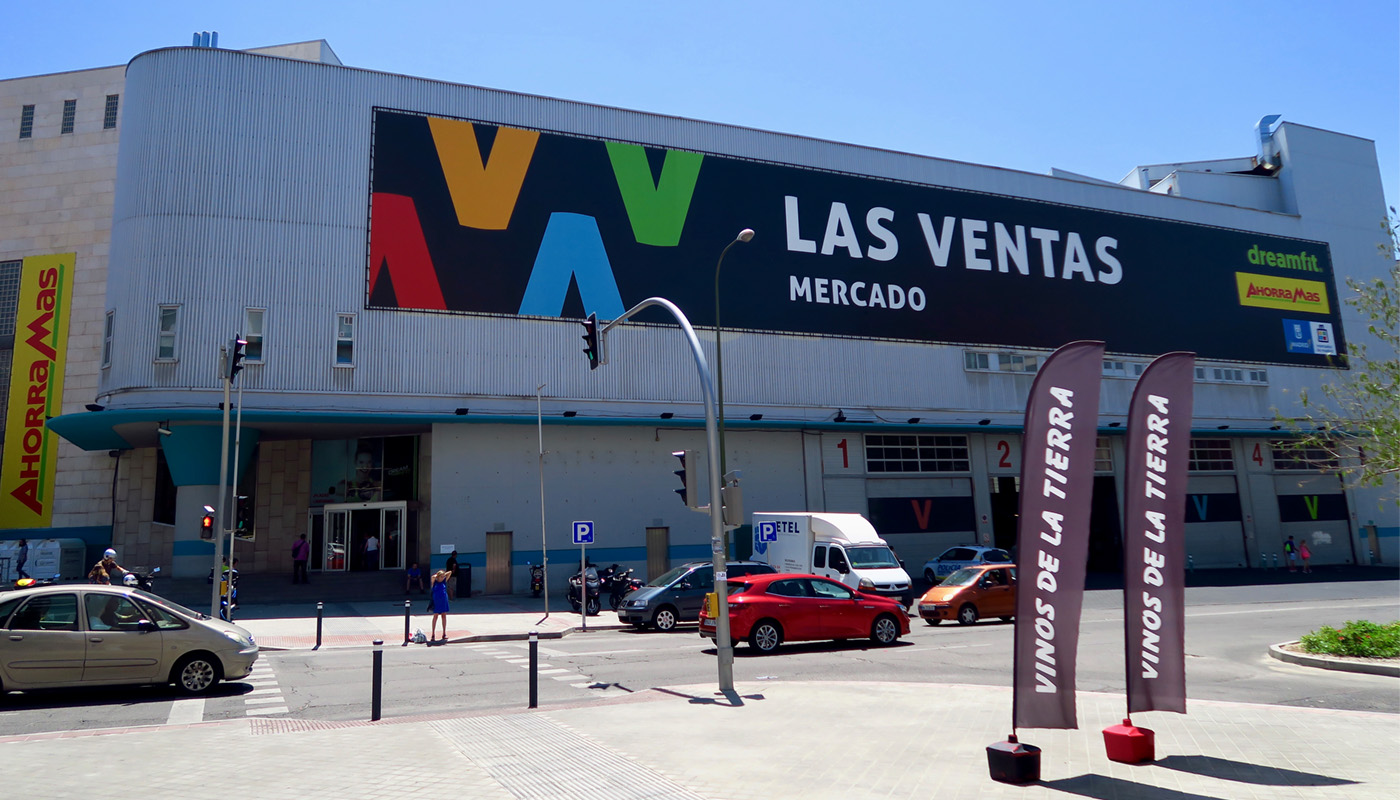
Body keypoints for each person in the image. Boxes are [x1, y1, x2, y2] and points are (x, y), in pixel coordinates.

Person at [429, 568, 451, 641]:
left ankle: (444, 633)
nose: (442, 578)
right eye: (441, 577)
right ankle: (433, 634)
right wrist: (437, 575)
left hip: (444, 600)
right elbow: (432, 577)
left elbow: (450, 572)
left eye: (443, 577)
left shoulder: (444, 582)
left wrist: (443, 574)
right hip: (436, 600)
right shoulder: (434, 582)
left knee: (444, 615)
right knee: (435, 616)